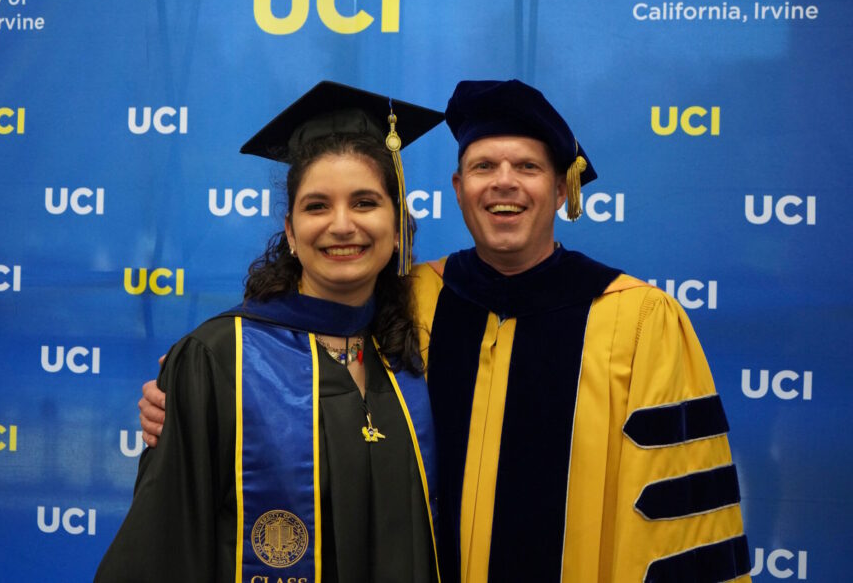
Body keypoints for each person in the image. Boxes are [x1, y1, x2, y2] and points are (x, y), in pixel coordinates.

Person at [139, 80, 752, 582]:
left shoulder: (640, 320)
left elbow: (681, 518)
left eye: (529, 167)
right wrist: (192, 389)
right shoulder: (416, 298)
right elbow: (289, 343)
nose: (504, 182)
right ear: (459, 190)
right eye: (484, 165)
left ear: (562, 185)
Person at [97, 81, 444, 583]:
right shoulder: (220, 359)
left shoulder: (416, 354)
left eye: (366, 202)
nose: (342, 225)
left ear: (398, 229)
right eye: (317, 206)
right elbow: (162, 546)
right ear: (289, 231)